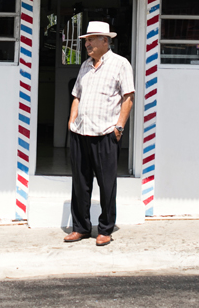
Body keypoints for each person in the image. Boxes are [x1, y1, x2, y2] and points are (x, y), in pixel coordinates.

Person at [64, 20, 134, 247]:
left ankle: (105, 229)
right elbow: (77, 95)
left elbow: (128, 98)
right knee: (80, 183)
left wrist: (119, 127)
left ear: (105, 40)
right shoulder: (85, 66)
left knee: (106, 184)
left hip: (106, 134)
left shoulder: (121, 64)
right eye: (86, 40)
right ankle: (81, 228)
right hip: (81, 133)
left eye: (91, 39)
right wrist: (72, 120)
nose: (87, 44)